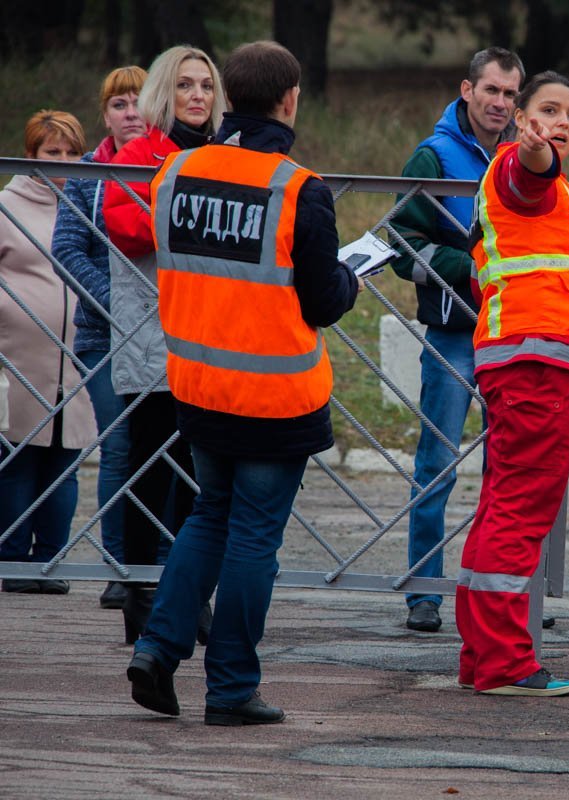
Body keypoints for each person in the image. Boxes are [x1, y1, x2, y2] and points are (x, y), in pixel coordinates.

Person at [126, 40, 360, 724]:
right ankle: (230, 689)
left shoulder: (175, 173)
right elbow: (323, 301)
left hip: (200, 387)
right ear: (290, 101)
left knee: (209, 516)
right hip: (274, 398)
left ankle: (156, 649)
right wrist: (350, 278)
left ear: (229, 99)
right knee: (254, 536)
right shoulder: (299, 189)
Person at [457, 71, 569, 697]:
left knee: (502, 505)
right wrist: (532, 149)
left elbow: (540, 265)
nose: (562, 124)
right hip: (538, 365)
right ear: (522, 118)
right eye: (549, 111)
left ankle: (482, 657)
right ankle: (503, 663)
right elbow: (529, 174)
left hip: (533, 356)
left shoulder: (561, 190)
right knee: (521, 511)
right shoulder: (521, 166)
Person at [387, 47, 523, 634]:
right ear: (467, 90)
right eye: (491, 90)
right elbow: (399, 242)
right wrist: (465, 268)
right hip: (453, 331)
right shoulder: (434, 155)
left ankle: (502, 592)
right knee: (437, 462)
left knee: (508, 467)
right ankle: (425, 591)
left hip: (512, 330)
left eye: (510, 94)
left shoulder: (526, 154)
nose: (500, 103)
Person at [102, 44, 226, 644]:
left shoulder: (227, 156)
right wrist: (198, 214)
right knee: (150, 470)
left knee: (201, 475)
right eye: (184, 84)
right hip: (152, 338)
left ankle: (188, 591)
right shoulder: (137, 154)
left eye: (206, 85)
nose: (197, 95)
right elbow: (125, 227)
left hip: (212, 340)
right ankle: (140, 593)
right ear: (162, 93)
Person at [52, 65, 148, 610]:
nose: (131, 113)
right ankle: (120, 567)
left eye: (139, 102)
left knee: (166, 446)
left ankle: (163, 561)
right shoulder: (89, 173)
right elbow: (67, 249)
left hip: (166, 336)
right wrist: (119, 304)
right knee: (120, 445)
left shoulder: (171, 165)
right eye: (119, 105)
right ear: (105, 115)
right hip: (102, 334)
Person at [0, 111, 92, 595]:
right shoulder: (6, 206)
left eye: (72, 152)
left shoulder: (88, 203)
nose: (63, 161)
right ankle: (13, 559)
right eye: (52, 152)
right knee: (18, 457)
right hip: (17, 355)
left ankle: (51, 560)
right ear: (30, 154)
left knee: (64, 462)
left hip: (76, 357)